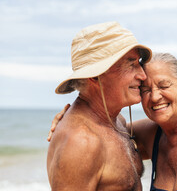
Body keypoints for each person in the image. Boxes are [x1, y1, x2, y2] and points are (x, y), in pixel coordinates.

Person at [49, 52, 177, 190]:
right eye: (145, 90)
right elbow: (102, 132)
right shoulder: (151, 134)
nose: (155, 96)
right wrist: (70, 118)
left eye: (163, 85)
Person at [47, 21, 152, 190]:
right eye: (131, 65)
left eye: (139, 63)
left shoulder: (117, 122)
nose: (142, 75)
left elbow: (169, 133)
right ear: (95, 76)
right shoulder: (81, 143)